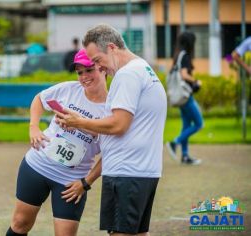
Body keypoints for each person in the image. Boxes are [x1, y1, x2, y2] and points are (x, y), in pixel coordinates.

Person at [55, 24, 167, 236]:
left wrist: (79, 123)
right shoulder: (142, 68)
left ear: (112, 48)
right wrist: (80, 120)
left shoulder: (127, 75)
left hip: (126, 172)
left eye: (98, 61)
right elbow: (128, 127)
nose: (100, 68)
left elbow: (118, 125)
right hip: (142, 171)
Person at [5, 48, 107, 236]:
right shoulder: (68, 89)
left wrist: (86, 182)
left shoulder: (112, 108)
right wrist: (33, 127)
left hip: (71, 183)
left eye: (89, 70)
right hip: (37, 165)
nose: (84, 76)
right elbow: (39, 99)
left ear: (103, 68)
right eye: (79, 72)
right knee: (20, 224)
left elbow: (112, 153)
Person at [166, 32, 203, 165]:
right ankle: (174, 143)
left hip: (180, 97)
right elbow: (184, 74)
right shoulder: (185, 56)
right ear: (190, 43)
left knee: (187, 125)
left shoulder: (178, 56)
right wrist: (196, 81)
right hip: (186, 97)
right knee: (199, 124)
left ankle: (185, 156)